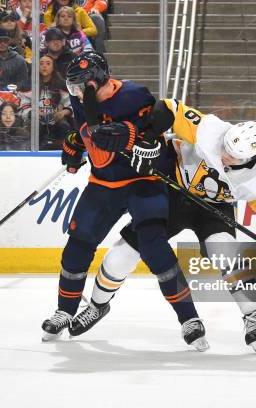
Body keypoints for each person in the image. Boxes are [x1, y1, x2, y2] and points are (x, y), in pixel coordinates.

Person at [69, 98, 256, 354]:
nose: (224, 154)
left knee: (224, 252)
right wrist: (148, 140)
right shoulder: (211, 130)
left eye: (233, 156)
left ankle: (253, 317)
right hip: (172, 193)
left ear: (250, 157)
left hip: (213, 210)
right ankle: (97, 306)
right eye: (225, 147)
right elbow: (168, 108)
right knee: (120, 256)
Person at [41, 52, 209, 351]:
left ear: (96, 81)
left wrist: (130, 137)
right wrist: (74, 143)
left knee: (154, 247)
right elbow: (86, 133)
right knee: (77, 247)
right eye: (73, 86)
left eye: (80, 86)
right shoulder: (81, 101)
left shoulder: (134, 96)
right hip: (103, 182)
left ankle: (189, 319)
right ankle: (65, 311)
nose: (76, 92)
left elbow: (157, 140)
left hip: (143, 181)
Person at [19, 54, 73, 150]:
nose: (44, 66)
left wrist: (63, 112)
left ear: (53, 67)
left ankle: (63, 151)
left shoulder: (62, 85)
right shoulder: (29, 85)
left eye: (48, 64)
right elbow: (23, 106)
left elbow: (71, 104)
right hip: (36, 121)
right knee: (35, 126)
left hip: (56, 122)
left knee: (63, 126)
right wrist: (33, 112)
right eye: (41, 64)